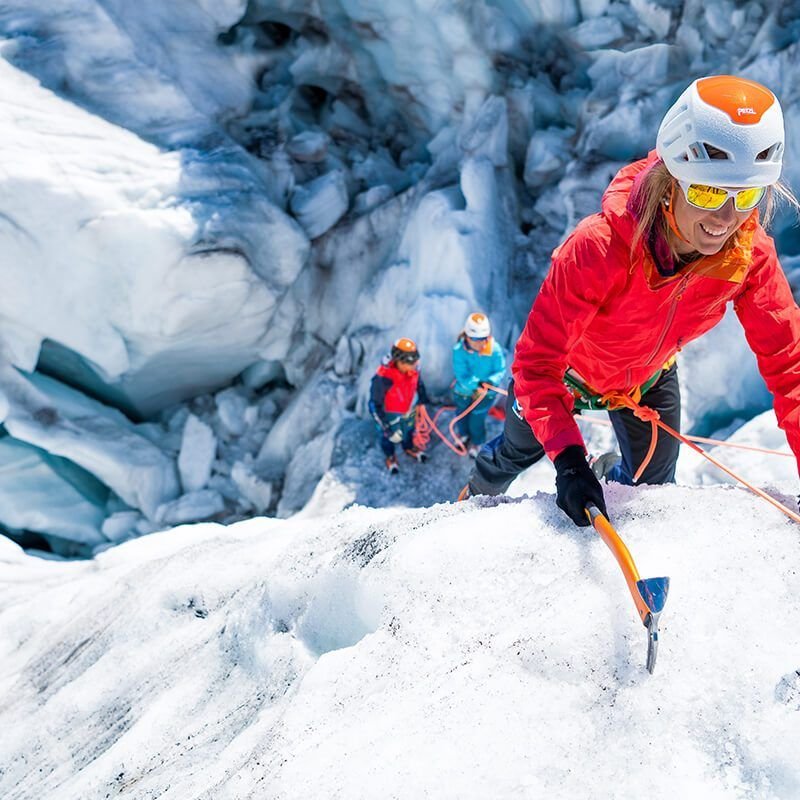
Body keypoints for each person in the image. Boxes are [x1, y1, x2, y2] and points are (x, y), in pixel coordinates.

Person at [463, 75, 800, 526]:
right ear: (670, 181)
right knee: (512, 454)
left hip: (647, 379)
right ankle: (466, 503)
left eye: (747, 195)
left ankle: (609, 475)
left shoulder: (748, 256)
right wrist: (569, 462)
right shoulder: (599, 247)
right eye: (708, 191)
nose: (727, 217)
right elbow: (537, 365)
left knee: (651, 490)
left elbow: (791, 368)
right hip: (567, 377)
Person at [370, 337, 429, 473]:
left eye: (415, 360)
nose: (415, 364)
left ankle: (408, 447)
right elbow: (374, 404)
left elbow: (418, 383)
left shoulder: (414, 369)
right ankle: (390, 455)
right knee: (388, 438)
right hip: (389, 414)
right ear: (399, 362)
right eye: (411, 362)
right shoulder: (383, 377)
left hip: (407, 409)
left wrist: (422, 400)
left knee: (408, 430)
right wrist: (386, 428)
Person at [452, 312, 507, 457]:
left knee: (477, 418)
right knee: (462, 414)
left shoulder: (494, 349)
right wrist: (477, 385)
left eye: (483, 339)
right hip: (463, 391)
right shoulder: (459, 350)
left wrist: (490, 382)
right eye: (475, 339)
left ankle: (477, 441)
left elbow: (500, 370)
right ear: (466, 336)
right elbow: (461, 374)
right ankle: (463, 435)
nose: (479, 343)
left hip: (486, 393)